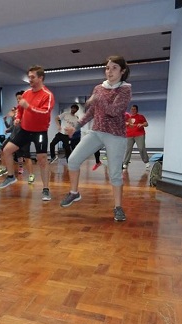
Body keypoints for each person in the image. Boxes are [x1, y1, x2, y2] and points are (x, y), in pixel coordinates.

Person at [60, 55, 132, 221]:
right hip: (96, 132)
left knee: (114, 173)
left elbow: (113, 111)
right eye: (107, 68)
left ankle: (118, 207)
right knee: (73, 160)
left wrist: (97, 99)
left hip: (116, 135)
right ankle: (74, 193)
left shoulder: (125, 90)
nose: (109, 71)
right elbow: (91, 111)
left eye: (114, 68)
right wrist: (77, 126)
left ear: (122, 71)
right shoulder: (98, 88)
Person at [0, 65, 55, 200]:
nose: (30, 80)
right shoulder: (27, 94)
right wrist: (17, 118)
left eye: (33, 77)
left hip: (40, 132)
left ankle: (46, 189)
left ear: (41, 78)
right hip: (25, 129)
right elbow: (20, 110)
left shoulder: (48, 95)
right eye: (29, 77)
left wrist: (29, 107)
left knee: (42, 160)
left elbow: (45, 112)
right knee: (6, 150)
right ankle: (11, 176)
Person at [0, 91, 35, 184]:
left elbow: (28, 124)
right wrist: (6, 122)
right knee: (2, 149)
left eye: (20, 98)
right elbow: (12, 126)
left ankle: (31, 175)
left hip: (24, 136)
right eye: (17, 98)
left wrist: (17, 117)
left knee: (26, 157)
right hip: (14, 136)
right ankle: (3, 168)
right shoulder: (15, 110)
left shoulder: (28, 110)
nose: (18, 100)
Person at [123, 104, 150, 169]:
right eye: (132, 109)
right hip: (129, 135)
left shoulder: (141, 116)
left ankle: (146, 162)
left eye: (134, 109)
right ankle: (125, 163)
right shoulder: (127, 117)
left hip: (139, 134)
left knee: (141, 148)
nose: (133, 110)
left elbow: (146, 124)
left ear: (137, 110)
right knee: (128, 149)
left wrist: (142, 124)